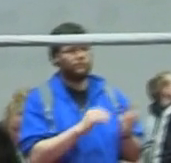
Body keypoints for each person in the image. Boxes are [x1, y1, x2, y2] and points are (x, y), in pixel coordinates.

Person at [18, 22, 143, 163]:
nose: (80, 55)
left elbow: (134, 156)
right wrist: (79, 130)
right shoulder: (40, 99)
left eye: (84, 49)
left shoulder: (112, 96)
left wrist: (126, 135)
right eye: (71, 51)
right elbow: (36, 157)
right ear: (55, 58)